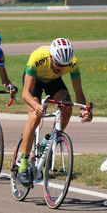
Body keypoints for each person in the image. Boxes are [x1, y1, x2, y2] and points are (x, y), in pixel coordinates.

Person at [17, 37, 93, 186]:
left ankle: (51, 140)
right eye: (58, 65)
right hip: (34, 82)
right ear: (51, 57)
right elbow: (25, 94)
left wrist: (84, 110)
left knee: (67, 106)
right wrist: (36, 105)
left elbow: (79, 93)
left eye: (64, 67)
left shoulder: (73, 63)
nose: (61, 69)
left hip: (53, 82)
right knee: (34, 117)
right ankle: (24, 164)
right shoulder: (37, 58)